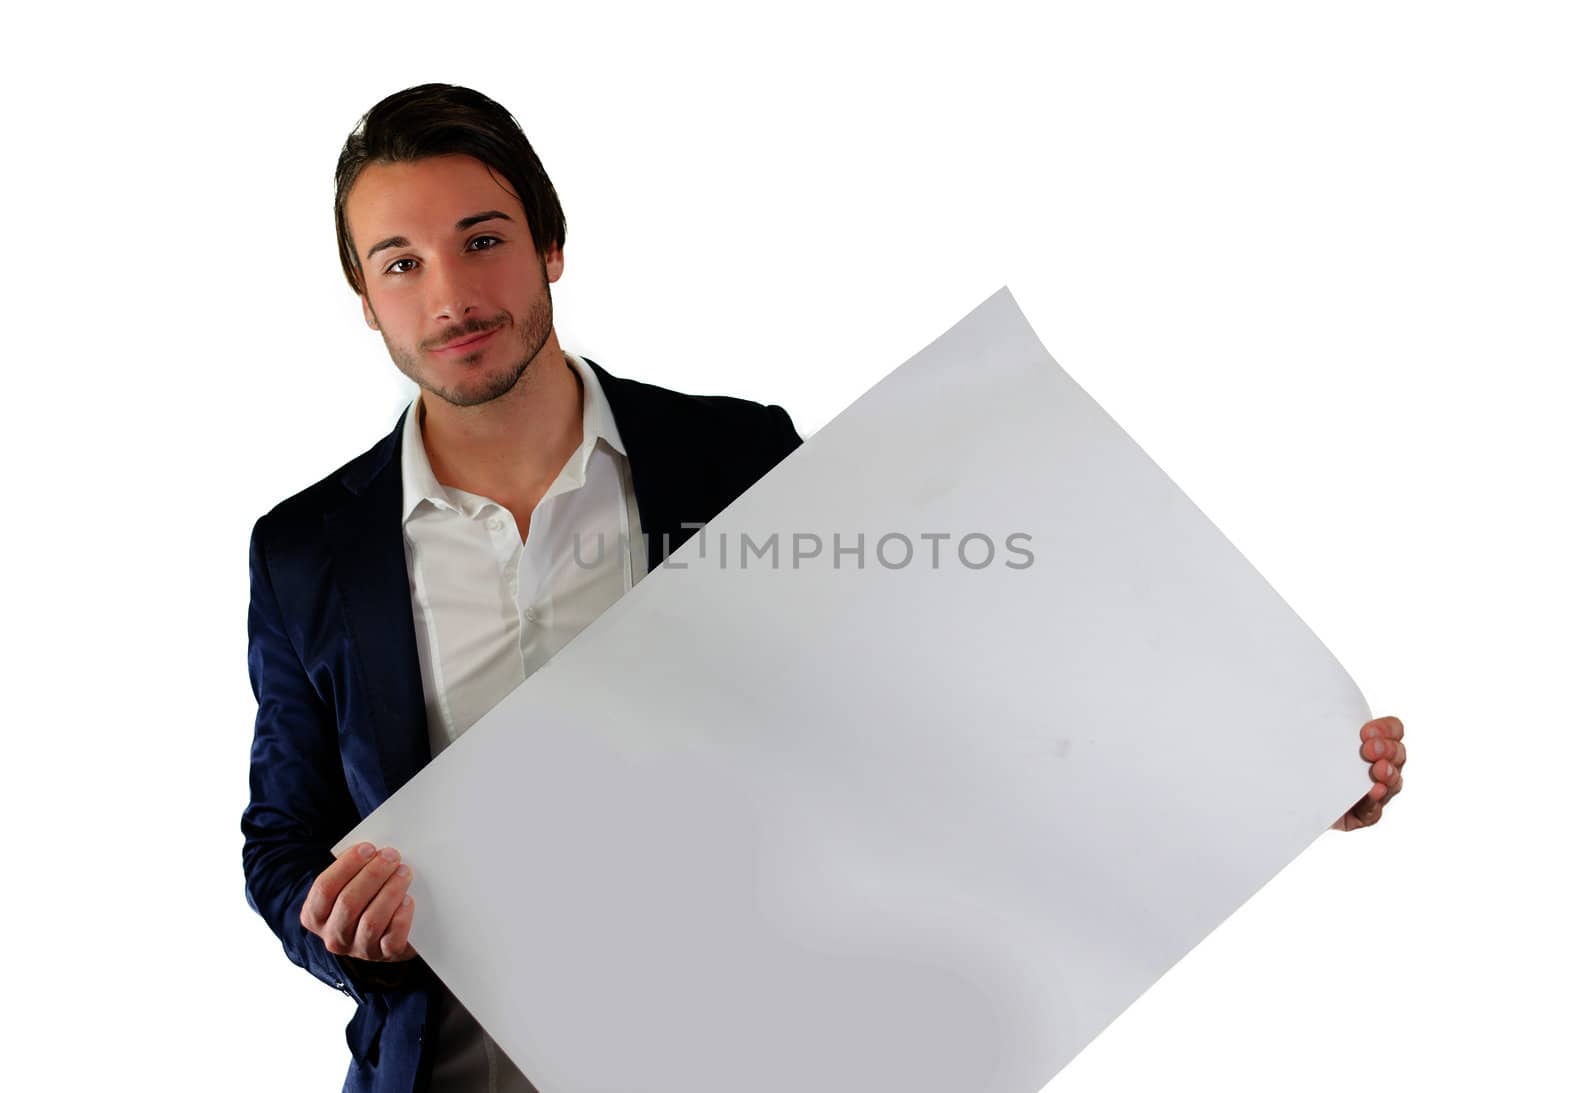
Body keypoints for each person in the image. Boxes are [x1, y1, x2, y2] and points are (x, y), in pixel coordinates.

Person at [242, 83, 1407, 1093]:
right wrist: (342, 927)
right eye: (401, 262)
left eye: (482, 239)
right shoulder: (308, 553)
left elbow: (929, 723)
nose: (450, 293)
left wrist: (1274, 776)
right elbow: (284, 835)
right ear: (364, 298)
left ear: (551, 247)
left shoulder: (733, 462)